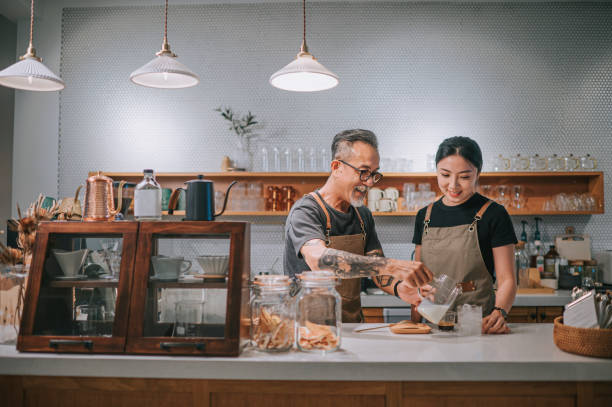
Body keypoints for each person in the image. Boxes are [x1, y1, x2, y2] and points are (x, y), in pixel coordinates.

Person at [284, 129, 433, 323]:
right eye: (363, 172)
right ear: (337, 167)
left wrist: (400, 288)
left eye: (374, 174)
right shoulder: (306, 211)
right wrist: (393, 265)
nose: (370, 182)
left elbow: (377, 270)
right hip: (307, 330)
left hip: (351, 326)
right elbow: (319, 260)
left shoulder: (362, 215)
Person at [410, 136, 517, 334]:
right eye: (445, 175)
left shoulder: (494, 214)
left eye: (464, 177)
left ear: (478, 173)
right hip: (430, 322)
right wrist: (417, 296)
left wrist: (500, 311)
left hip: (477, 322)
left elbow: (506, 278)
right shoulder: (424, 216)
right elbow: (419, 277)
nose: (453, 185)